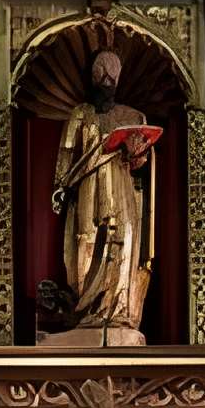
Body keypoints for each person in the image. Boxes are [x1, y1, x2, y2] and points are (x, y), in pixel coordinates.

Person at [51, 49, 160, 333]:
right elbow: (66, 153)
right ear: (92, 78)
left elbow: (141, 165)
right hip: (88, 187)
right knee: (86, 242)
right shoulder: (80, 114)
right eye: (101, 74)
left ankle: (118, 310)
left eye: (112, 75)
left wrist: (136, 154)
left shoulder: (132, 116)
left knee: (123, 240)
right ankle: (87, 309)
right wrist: (59, 186)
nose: (106, 81)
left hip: (122, 187)